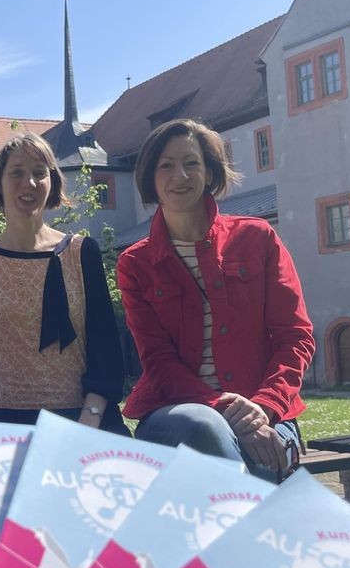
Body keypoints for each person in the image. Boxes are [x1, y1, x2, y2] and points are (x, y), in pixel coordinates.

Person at [117, 118, 314, 481]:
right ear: (151, 178)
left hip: (266, 411)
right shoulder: (136, 265)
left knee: (259, 455)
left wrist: (263, 407)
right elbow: (158, 362)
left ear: (209, 172)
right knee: (206, 427)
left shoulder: (257, 238)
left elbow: (295, 337)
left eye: (191, 163)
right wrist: (224, 409)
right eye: (166, 165)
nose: (180, 174)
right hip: (176, 413)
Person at [0, 133, 128, 435]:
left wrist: (89, 421)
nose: (28, 183)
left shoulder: (83, 253)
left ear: (52, 182)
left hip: (88, 418)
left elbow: (106, 351)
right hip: (10, 422)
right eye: (17, 172)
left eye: (39, 173)